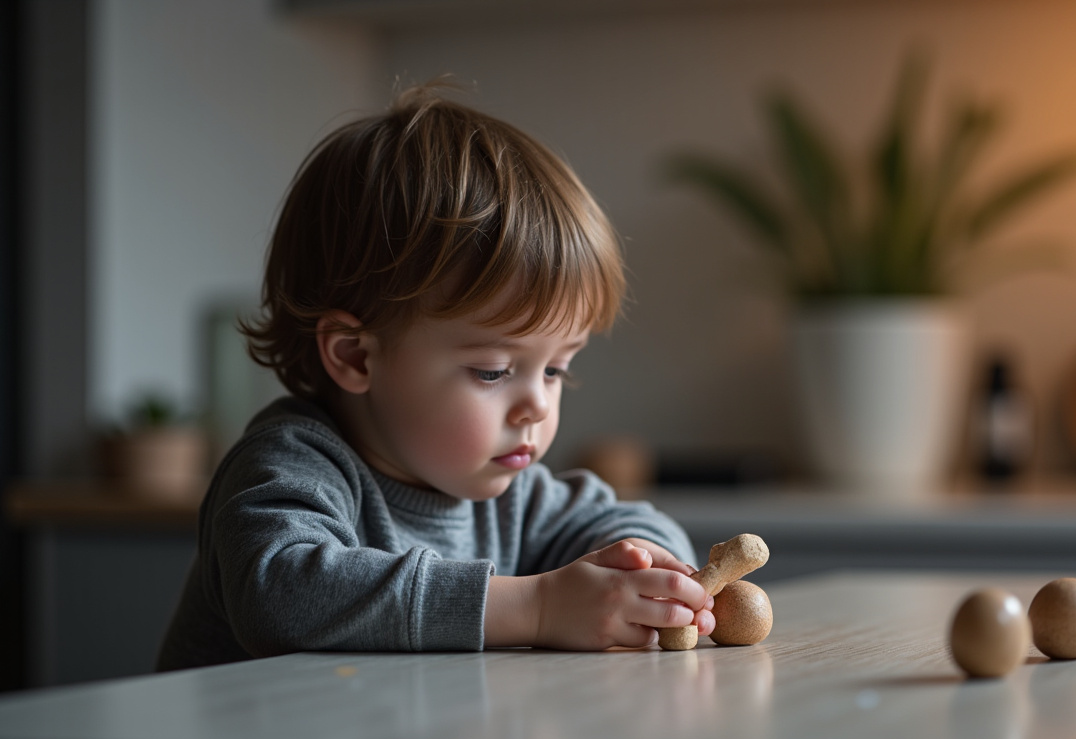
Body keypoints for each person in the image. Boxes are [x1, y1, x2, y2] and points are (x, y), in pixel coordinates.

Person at [157, 80, 713, 671]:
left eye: (555, 369)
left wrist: (646, 573)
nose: (537, 406)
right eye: (493, 371)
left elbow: (624, 523)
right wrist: (539, 606)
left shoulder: (512, 495)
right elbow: (281, 594)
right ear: (355, 357)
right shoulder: (293, 466)